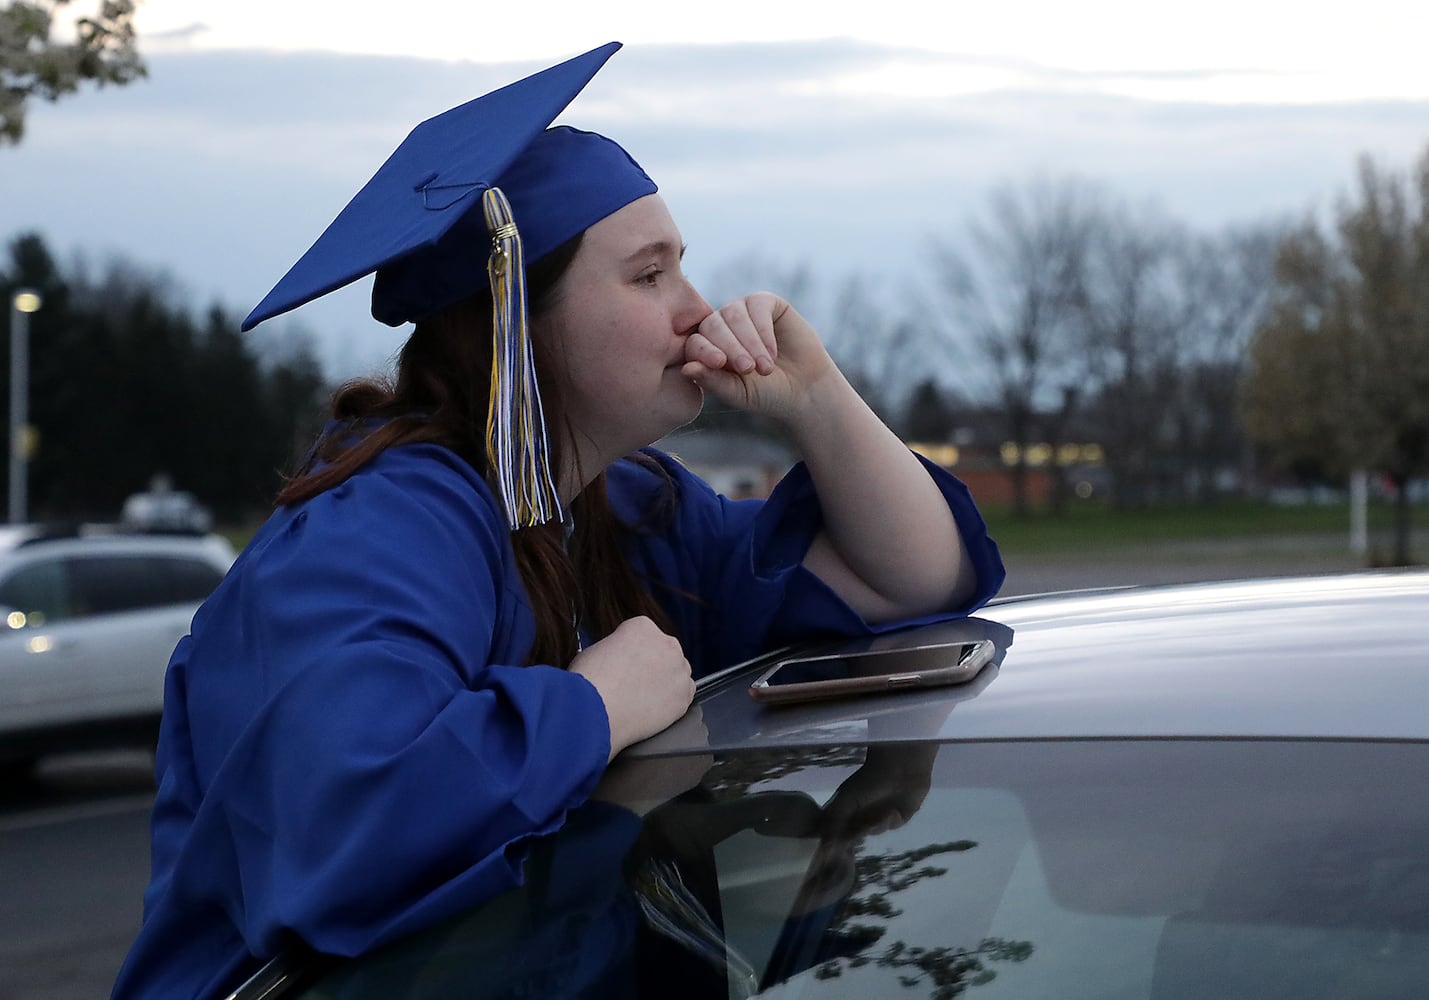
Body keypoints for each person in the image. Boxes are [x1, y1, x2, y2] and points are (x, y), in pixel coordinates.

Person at [110, 42, 1004, 1000]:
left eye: (683, 269)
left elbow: (908, 579)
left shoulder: (619, 507)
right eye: (648, 275)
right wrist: (595, 707)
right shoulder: (369, 535)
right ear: (517, 320)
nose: (696, 309)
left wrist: (818, 399)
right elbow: (345, 822)